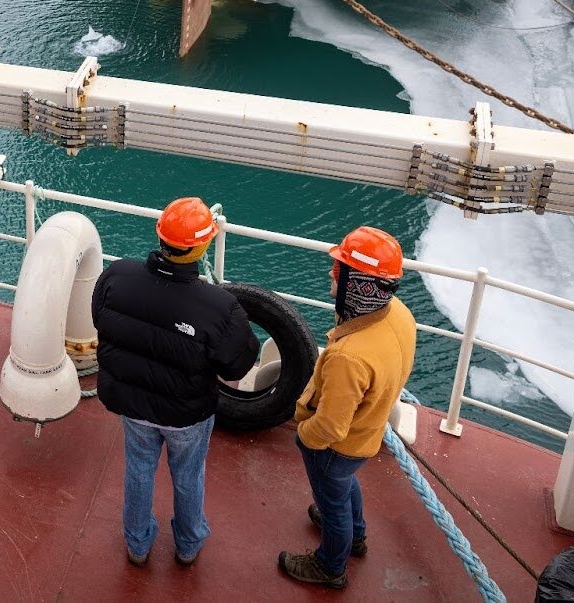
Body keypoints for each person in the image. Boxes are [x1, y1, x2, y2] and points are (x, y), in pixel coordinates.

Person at [92, 196, 260, 569]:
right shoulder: (219, 307)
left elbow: (100, 319)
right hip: (186, 414)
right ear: (203, 245)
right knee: (187, 475)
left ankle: (137, 544)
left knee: (138, 469)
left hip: (132, 405)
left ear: (160, 237)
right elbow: (237, 365)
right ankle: (187, 544)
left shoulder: (117, 276)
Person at [279, 226, 416, 590]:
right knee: (342, 485)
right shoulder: (398, 313)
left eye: (340, 270)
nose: (331, 273)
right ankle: (355, 535)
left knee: (333, 499)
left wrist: (304, 437)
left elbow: (330, 428)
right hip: (365, 437)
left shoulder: (349, 357)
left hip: (336, 448)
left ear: (359, 284)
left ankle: (330, 566)